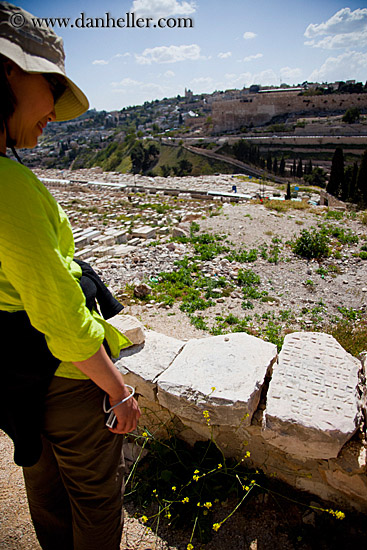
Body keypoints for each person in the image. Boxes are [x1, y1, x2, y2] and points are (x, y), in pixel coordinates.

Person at [0, 3, 141, 549]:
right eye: (51, 84)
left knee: (43, 481)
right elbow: (60, 316)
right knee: (95, 497)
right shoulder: (8, 187)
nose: (55, 111)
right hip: (62, 378)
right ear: (7, 70)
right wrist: (119, 390)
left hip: (14, 377)